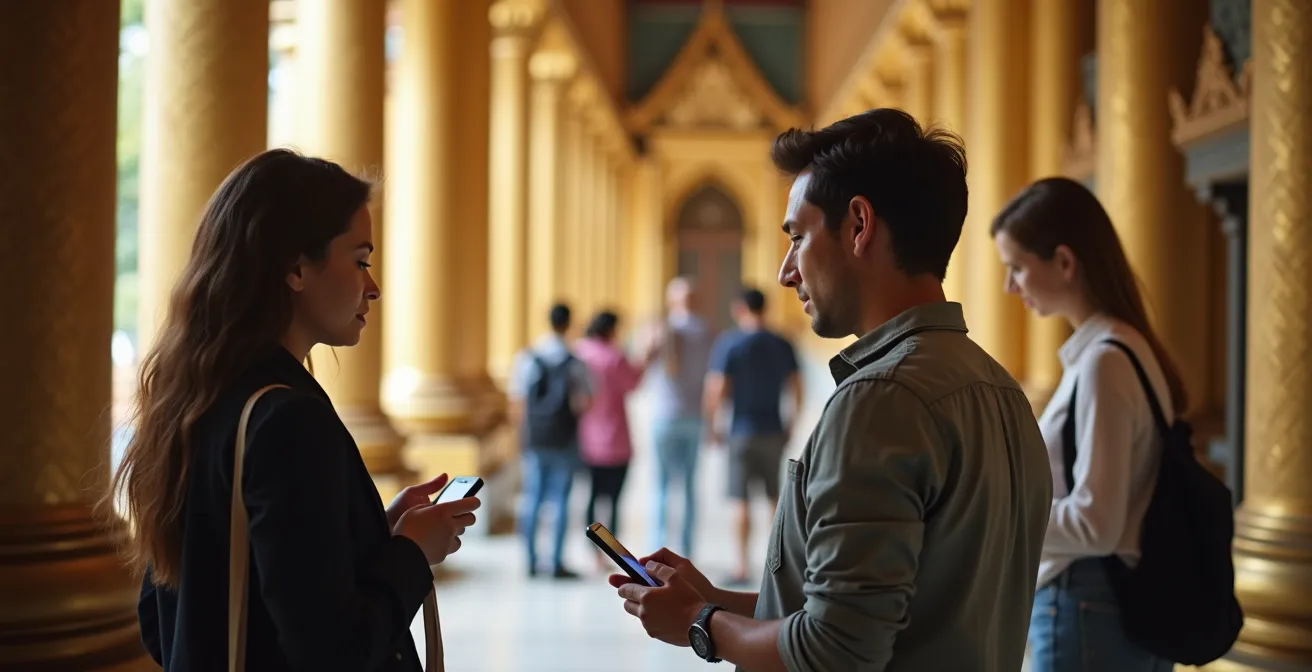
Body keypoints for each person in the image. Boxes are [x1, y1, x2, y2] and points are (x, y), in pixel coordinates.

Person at [608, 108, 1052, 671]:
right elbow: (871, 615)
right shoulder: (999, 388)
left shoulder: (882, 399)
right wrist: (711, 600)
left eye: (797, 237)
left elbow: (836, 652)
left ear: (859, 225)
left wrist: (701, 626)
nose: (785, 272)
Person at [106, 149, 479, 670]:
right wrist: (412, 554)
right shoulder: (288, 420)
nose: (373, 287)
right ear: (296, 268)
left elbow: (160, 614)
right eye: (360, 260)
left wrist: (375, 536)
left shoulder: (194, 397)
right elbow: (334, 650)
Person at [993, 177, 1183, 672]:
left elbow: (1096, 524)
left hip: (1086, 601)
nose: (1009, 286)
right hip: (1110, 600)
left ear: (1063, 261)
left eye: (1016, 267)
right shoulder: (1120, 351)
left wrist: (997, 516)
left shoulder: (1106, 362)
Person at [704, 287, 802, 585]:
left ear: (739, 309)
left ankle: (741, 566)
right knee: (774, 498)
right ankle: (776, 564)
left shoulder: (731, 342)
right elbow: (796, 385)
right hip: (773, 428)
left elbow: (717, 387)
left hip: (741, 430)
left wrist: (712, 424)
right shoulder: (782, 342)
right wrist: (791, 423)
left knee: (741, 500)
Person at [508, 303, 592, 579]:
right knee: (560, 500)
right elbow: (585, 401)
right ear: (568, 324)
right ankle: (555, 561)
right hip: (564, 438)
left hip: (535, 438)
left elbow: (517, 401)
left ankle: (530, 561)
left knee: (532, 498)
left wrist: (520, 434)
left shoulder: (528, 358)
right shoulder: (575, 361)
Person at [574, 310, 656, 568]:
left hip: (585, 437)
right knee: (614, 501)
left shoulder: (579, 353)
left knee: (591, 497)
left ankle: (593, 553)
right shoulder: (615, 356)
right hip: (616, 440)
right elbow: (633, 384)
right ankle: (611, 553)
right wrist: (647, 358)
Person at [645, 277, 715, 557]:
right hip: (694, 415)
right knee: (688, 485)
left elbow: (643, 363)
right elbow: (715, 378)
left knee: (661, 485)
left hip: (665, 415)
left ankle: (657, 546)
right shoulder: (708, 331)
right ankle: (687, 548)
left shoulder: (661, 330)